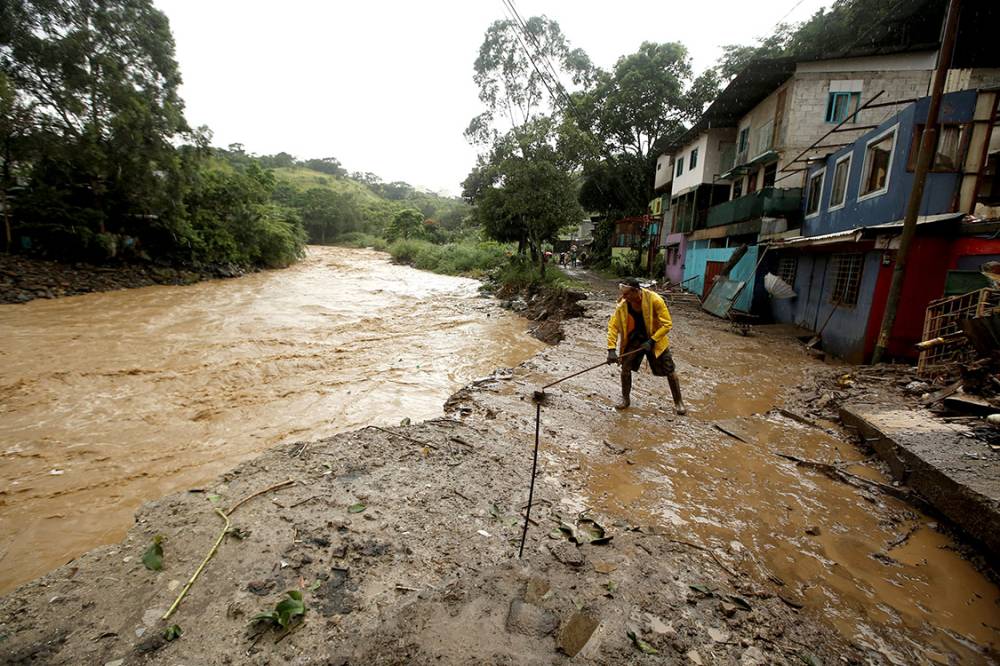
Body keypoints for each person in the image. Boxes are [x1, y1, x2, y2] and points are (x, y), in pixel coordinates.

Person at [606, 278, 686, 414]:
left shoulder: (655, 300)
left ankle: (679, 402)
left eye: (627, 294)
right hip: (635, 339)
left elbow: (667, 324)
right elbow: (613, 326)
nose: (624, 297)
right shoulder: (623, 305)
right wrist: (611, 349)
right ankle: (625, 399)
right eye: (623, 294)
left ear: (637, 291)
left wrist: (652, 341)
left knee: (669, 369)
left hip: (654, 337)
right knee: (625, 367)